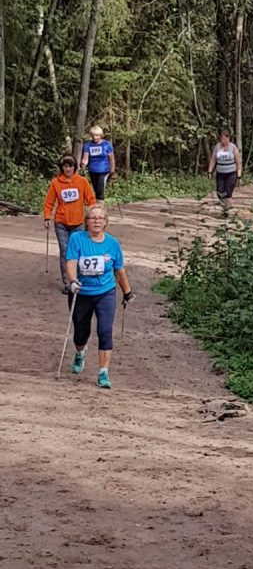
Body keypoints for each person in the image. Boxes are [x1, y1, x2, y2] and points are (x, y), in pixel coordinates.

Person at [65, 205, 134, 389]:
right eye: (92, 218)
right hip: (81, 293)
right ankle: (80, 352)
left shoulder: (113, 243)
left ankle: (103, 372)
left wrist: (127, 292)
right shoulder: (77, 238)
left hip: (105, 293)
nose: (96, 221)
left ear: (105, 222)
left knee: (105, 330)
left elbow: (119, 270)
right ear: (86, 222)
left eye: (100, 218)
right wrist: (73, 281)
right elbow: (71, 262)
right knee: (81, 333)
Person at [43, 154, 97, 293]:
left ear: (75, 167)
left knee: (78, 251)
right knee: (65, 252)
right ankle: (68, 283)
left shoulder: (82, 182)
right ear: (62, 168)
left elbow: (91, 200)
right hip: (61, 223)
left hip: (78, 223)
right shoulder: (55, 183)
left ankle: (78, 279)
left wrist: (93, 213)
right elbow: (49, 202)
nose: (68, 169)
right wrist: (47, 217)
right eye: (65, 166)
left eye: (70, 166)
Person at [207, 129, 242, 208]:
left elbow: (238, 162)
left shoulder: (233, 147)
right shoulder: (217, 147)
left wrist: (239, 175)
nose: (223, 141)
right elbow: (213, 160)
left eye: (224, 139)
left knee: (228, 191)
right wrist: (210, 171)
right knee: (219, 191)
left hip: (231, 172)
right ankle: (224, 203)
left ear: (228, 138)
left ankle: (227, 206)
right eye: (222, 139)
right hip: (220, 172)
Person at [80, 126, 116, 200]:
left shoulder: (107, 144)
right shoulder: (88, 145)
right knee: (96, 189)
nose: (95, 137)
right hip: (92, 171)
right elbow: (85, 159)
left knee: (100, 190)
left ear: (101, 135)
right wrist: (83, 164)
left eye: (97, 135)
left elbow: (111, 158)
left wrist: (112, 170)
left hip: (104, 170)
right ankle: (97, 204)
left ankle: (100, 204)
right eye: (93, 135)